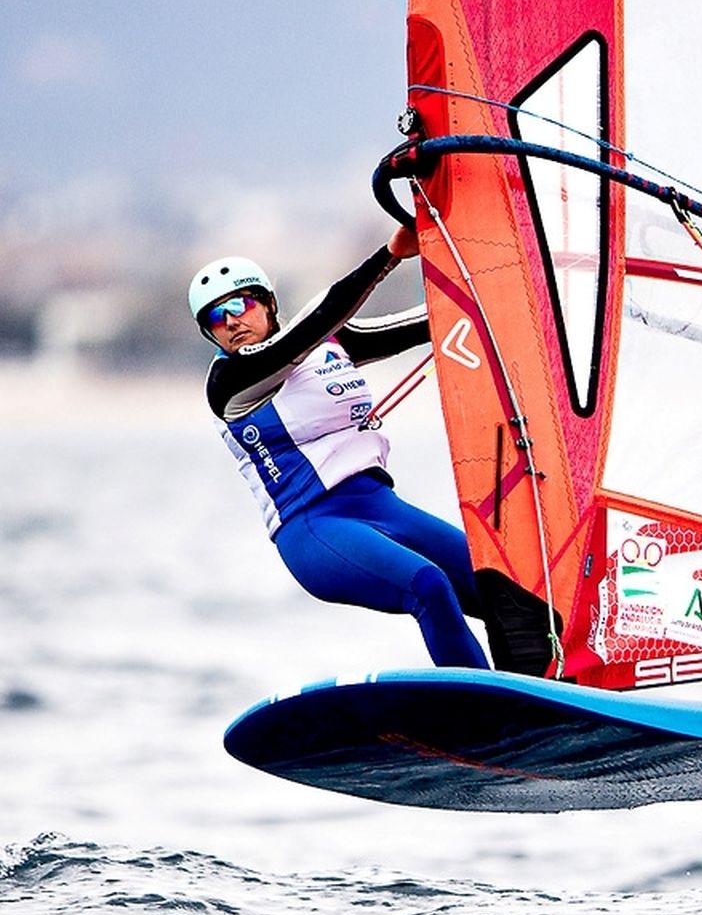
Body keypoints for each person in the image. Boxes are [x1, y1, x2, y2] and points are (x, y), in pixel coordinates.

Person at [188, 225, 490, 670]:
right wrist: (389, 255)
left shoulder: (332, 344)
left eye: (240, 304)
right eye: (216, 318)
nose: (232, 320)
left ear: (269, 304)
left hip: (381, 506)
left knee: (503, 588)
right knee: (428, 585)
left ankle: (558, 686)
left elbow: (431, 322)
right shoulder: (230, 383)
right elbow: (314, 324)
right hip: (315, 528)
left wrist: (498, 296)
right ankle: (486, 715)